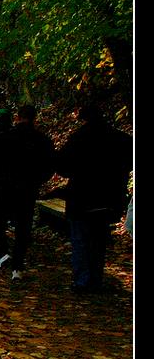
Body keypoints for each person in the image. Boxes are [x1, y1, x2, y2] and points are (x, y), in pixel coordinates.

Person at [55, 104, 132, 293]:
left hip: (82, 197)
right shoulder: (121, 139)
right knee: (99, 240)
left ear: (83, 118)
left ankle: (82, 280)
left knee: (81, 240)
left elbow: (62, 166)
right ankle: (96, 279)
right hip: (109, 198)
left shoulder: (78, 139)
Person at [0, 105, 55, 281]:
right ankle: (18, 266)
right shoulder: (42, 140)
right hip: (27, 190)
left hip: (4, 189)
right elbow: (50, 167)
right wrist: (37, 181)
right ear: (34, 118)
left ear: (17, 117)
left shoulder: (3, 138)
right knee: (23, 228)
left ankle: (1, 252)